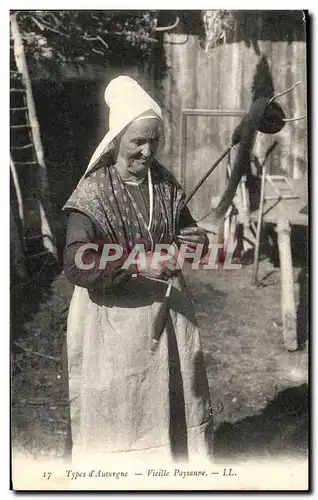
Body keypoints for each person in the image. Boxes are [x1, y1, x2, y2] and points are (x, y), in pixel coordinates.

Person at [63, 76, 213, 465]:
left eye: (154, 141)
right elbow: (77, 262)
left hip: (167, 318)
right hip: (111, 324)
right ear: (117, 141)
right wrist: (135, 260)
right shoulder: (92, 192)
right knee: (120, 415)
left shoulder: (165, 185)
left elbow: (185, 231)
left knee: (172, 405)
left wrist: (195, 242)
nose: (147, 152)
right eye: (138, 142)